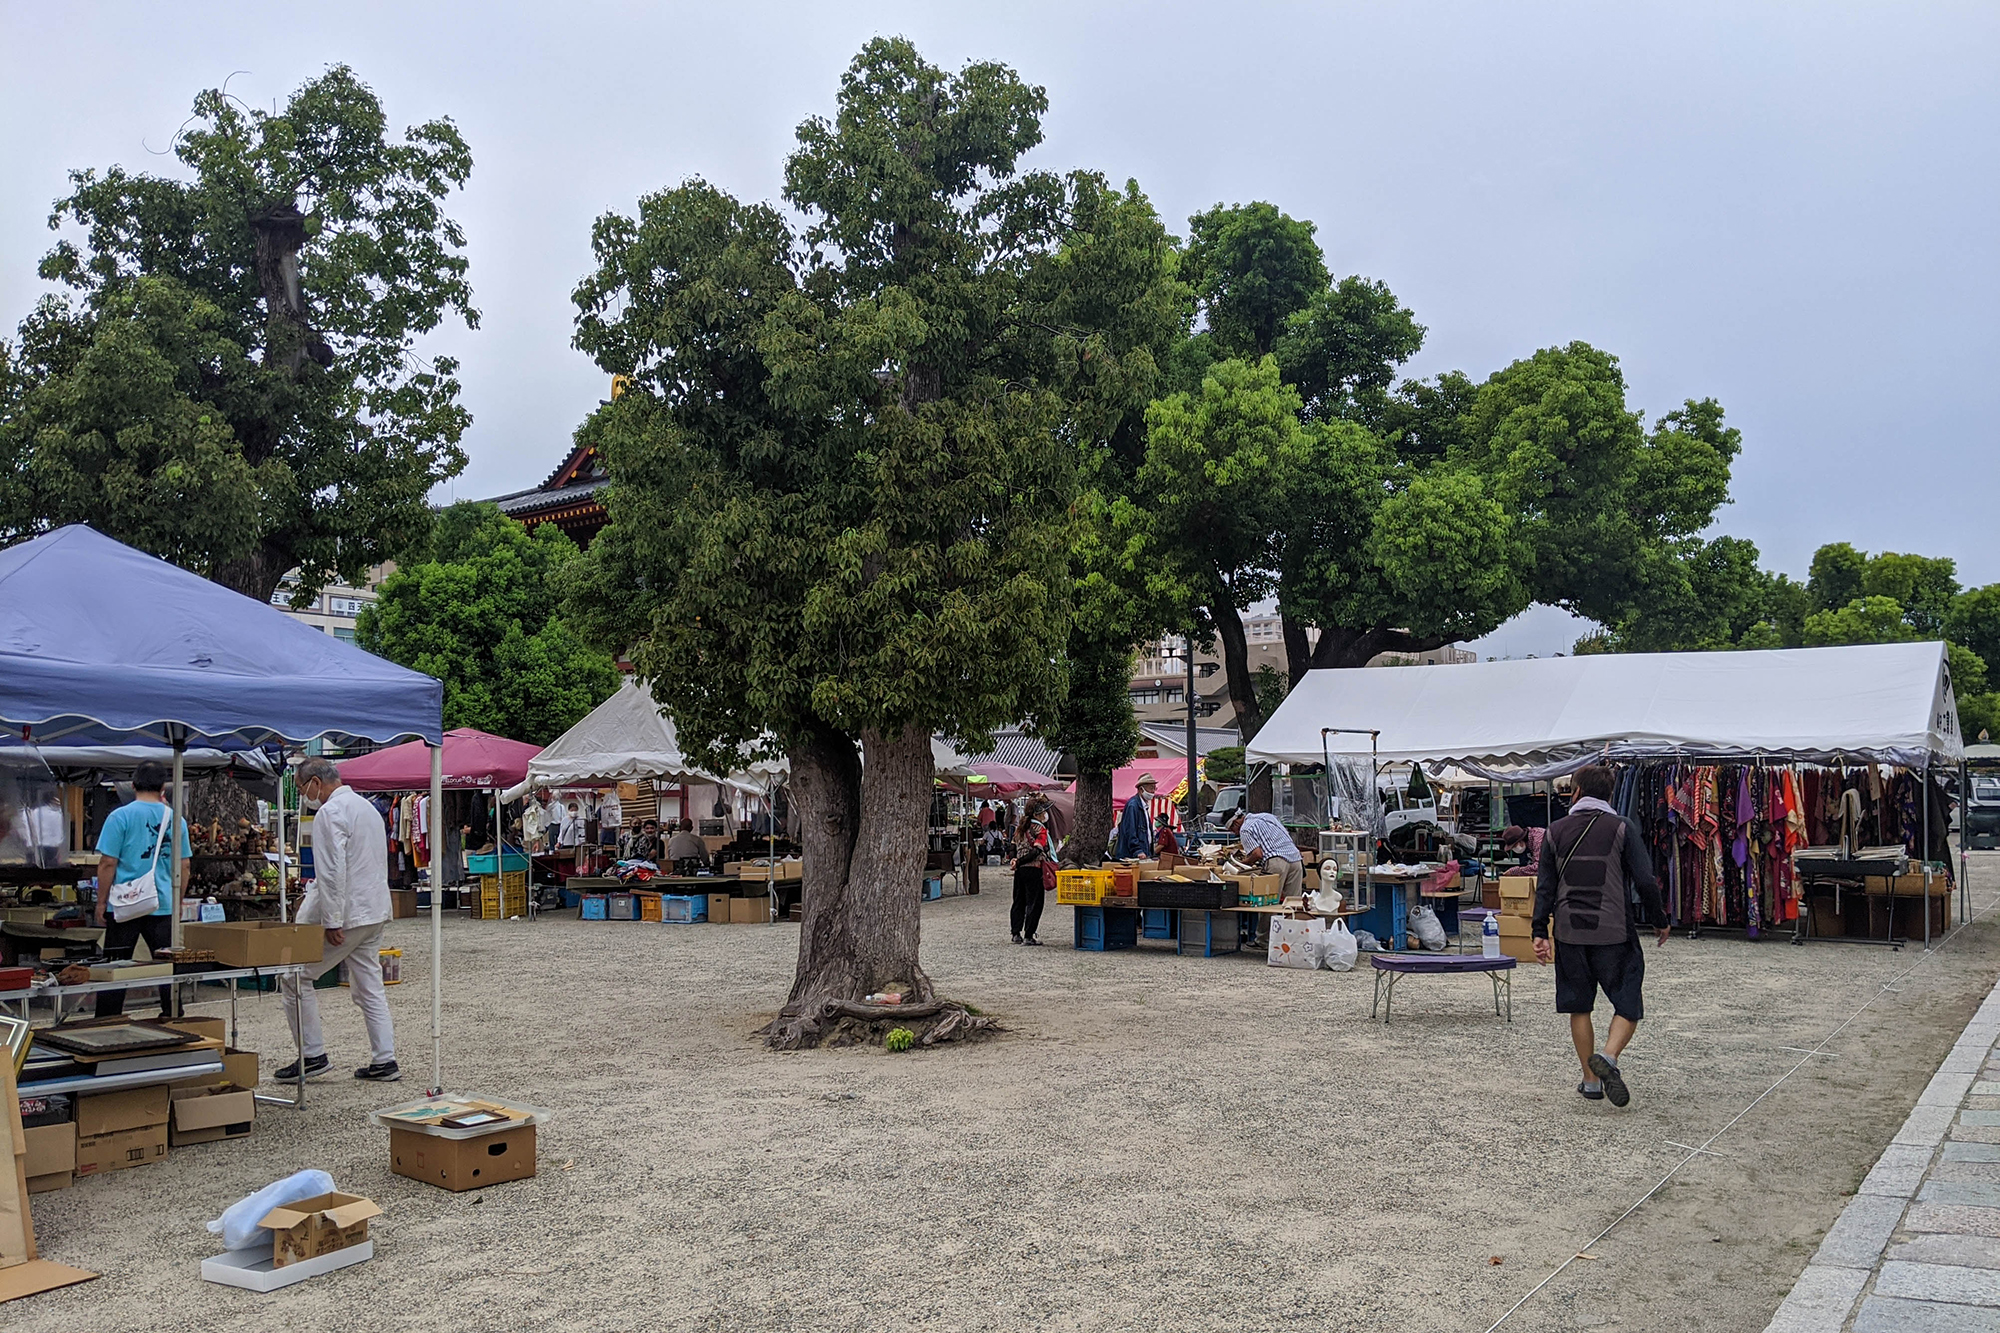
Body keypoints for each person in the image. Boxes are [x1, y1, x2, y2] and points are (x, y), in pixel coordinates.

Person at [1531, 764, 1669, 1108]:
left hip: (1568, 933)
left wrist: (1538, 932)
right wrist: (1659, 919)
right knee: (1628, 1001)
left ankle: (1590, 1082)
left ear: (1575, 792)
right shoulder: (1622, 828)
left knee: (1580, 1006)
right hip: (1613, 932)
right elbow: (1645, 879)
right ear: (1610, 794)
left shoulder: (1554, 831)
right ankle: (1607, 1056)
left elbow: (1545, 886)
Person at [278, 758, 399, 1082]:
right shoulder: (366, 808)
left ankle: (312, 1053)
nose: (305, 795)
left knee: (294, 976)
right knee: (369, 984)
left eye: (303, 788)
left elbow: (331, 871)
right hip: (374, 908)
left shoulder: (330, 813)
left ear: (315, 782)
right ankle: (384, 1058)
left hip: (349, 912)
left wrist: (331, 920)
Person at [92, 761, 190, 1017]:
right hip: (163, 902)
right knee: (168, 968)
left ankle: (107, 1021)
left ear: (133, 785)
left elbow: (107, 863)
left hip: (125, 904)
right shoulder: (175, 819)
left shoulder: (120, 816)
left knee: (116, 967)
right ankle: (173, 1017)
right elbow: (185, 865)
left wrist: (101, 902)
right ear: (163, 787)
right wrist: (178, 901)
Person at [1230, 809, 1304, 901]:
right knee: (1293, 902)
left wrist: (1243, 863)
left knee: (1270, 902)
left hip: (1277, 862)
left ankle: (1270, 916)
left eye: (1232, 830)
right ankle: (1294, 915)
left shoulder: (1245, 829)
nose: (1234, 833)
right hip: (1295, 859)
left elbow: (1257, 854)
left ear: (1235, 823)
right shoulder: (1266, 816)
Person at [1114, 773, 1157, 860]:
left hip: (1142, 854)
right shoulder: (1133, 806)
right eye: (1151, 788)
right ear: (1141, 789)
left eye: (1154, 788)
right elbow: (1130, 831)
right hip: (1132, 856)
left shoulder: (1143, 806)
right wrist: (1137, 851)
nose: (1153, 791)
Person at [1010, 843, 1047, 945]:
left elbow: (1013, 846)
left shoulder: (1018, 831)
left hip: (1020, 870)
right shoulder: (1039, 829)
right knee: (1034, 902)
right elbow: (1037, 850)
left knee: (1018, 901)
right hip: (1034, 869)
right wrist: (1019, 861)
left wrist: (1014, 859)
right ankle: (1028, 935)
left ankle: (1015, 933)